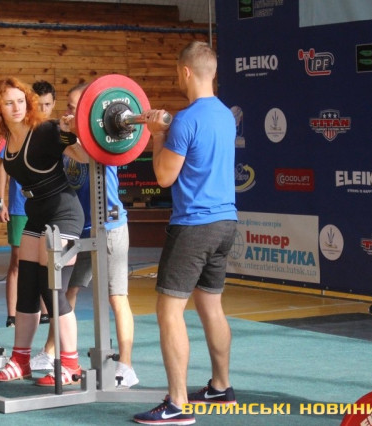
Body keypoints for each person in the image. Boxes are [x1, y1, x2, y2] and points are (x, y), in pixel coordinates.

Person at [133, 41, 238, 425]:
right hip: (226, 223)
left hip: (194, 226)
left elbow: (164, 176)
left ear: (186, 72)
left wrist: (157, 134)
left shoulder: (186, 120)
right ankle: (221, 387)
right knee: (211, 305)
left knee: (168, 310)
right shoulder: (226, 115)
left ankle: (176, 404)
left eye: (178, 72)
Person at [29, 83, 139, 389]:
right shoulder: (70, 139)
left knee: (117, 296)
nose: (67, 111)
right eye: (68, 105)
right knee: (65, 292)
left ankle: (126, 366)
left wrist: (72, 133)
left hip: (110, 227)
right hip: (79, 229)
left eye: (74, 107)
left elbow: (85, 153)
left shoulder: (103, 141)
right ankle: (51, 352)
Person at [0, 77, 88, 386]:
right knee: (27, 290)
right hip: (36, 215)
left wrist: (73, 133)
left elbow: (84, 155)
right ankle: (20, 361)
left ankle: (71, 366)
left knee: (52, 292)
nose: (16, 107)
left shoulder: (45, 131)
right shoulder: (7, 140)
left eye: (20, 101)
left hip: (64, 213)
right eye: (9, 102)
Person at [0, 80, 57, 328]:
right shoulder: (15, 133)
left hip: (47, 206)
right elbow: (3, 167)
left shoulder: (49, 132)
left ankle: (47, 311)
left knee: (47, 258)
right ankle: (12, 314)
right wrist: (0, 201)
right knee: (18, 260)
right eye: (39, 104)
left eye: (47, 105)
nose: (43, 109)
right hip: (20, 206)